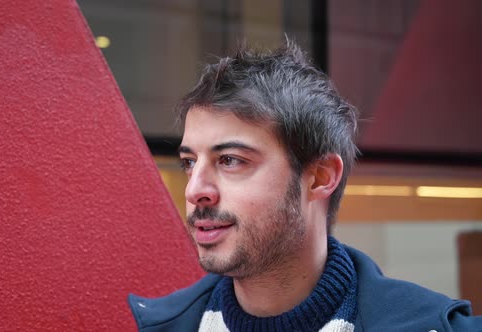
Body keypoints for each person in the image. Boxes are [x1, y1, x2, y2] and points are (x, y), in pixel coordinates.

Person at [127, 39, 482, 331]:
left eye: (230, 160)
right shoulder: (160, 326)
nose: (194, 190)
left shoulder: (434, 325)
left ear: (321, 178)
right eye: (189, 162)